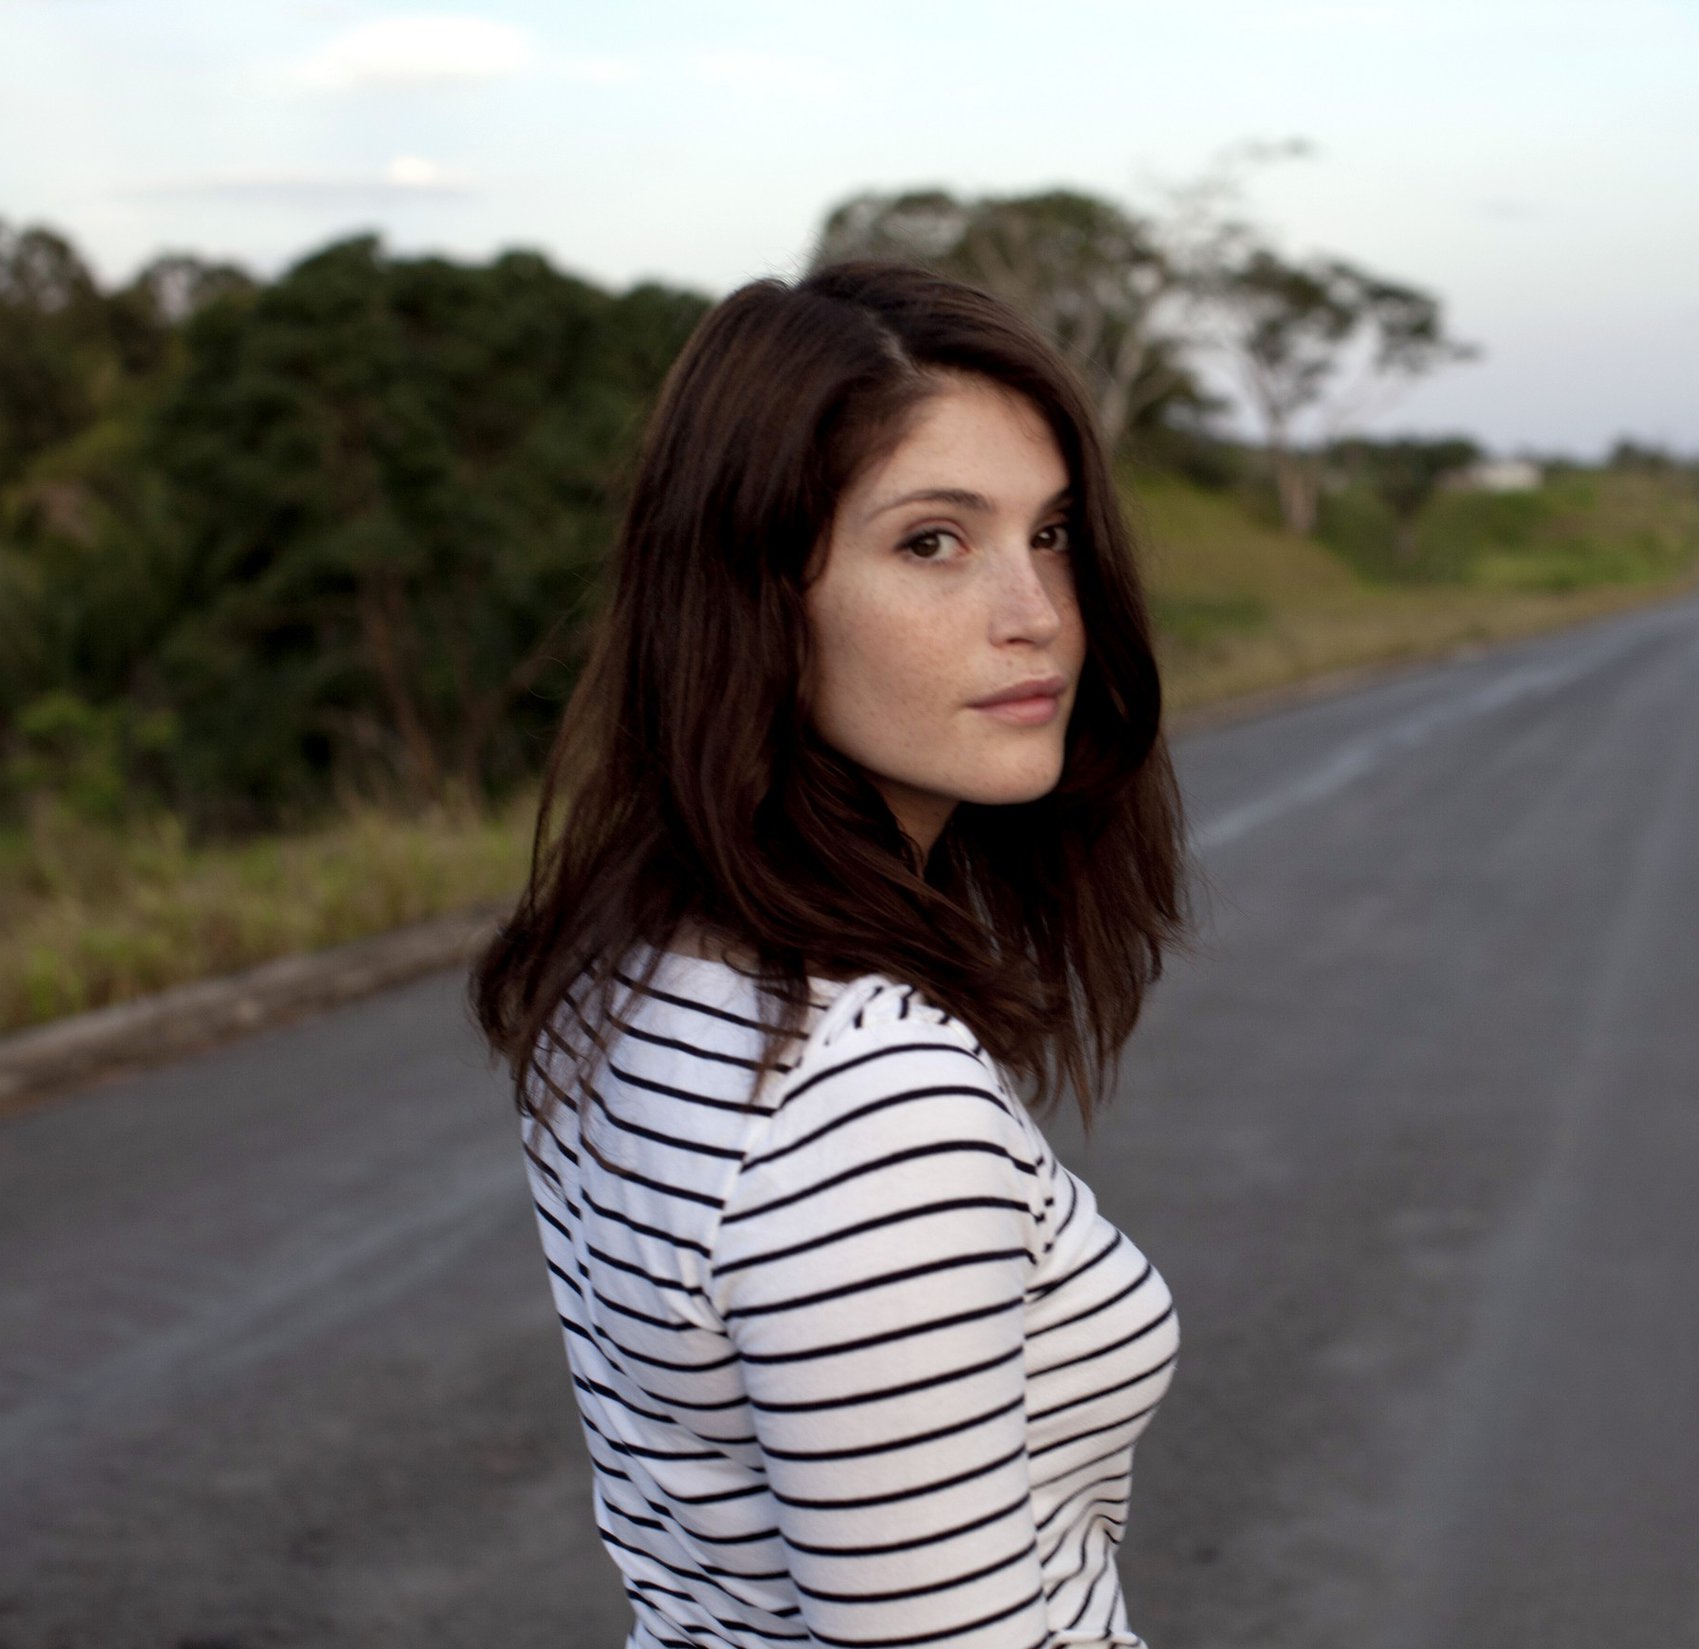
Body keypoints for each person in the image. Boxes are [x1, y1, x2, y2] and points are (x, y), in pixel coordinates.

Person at [470, 261, 1189, 1649]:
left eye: (1047, 533)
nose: (1033, 610)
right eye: (932, 541)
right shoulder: (867, 1099)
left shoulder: (630, 971)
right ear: (752, 597)